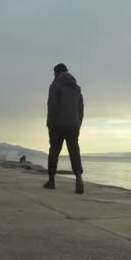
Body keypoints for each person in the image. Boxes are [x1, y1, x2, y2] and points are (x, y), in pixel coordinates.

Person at [44, 63, 85, 194]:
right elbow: (81, 108)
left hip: (57, 125)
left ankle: (51, 180)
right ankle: (78, 177)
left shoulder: (55, 85)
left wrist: (49, 123)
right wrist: (78, 123)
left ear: (57, 73)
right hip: (73, 125)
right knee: (74, 151)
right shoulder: (76, 88)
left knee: (54, 150)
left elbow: (52, 105)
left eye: (54, 73)